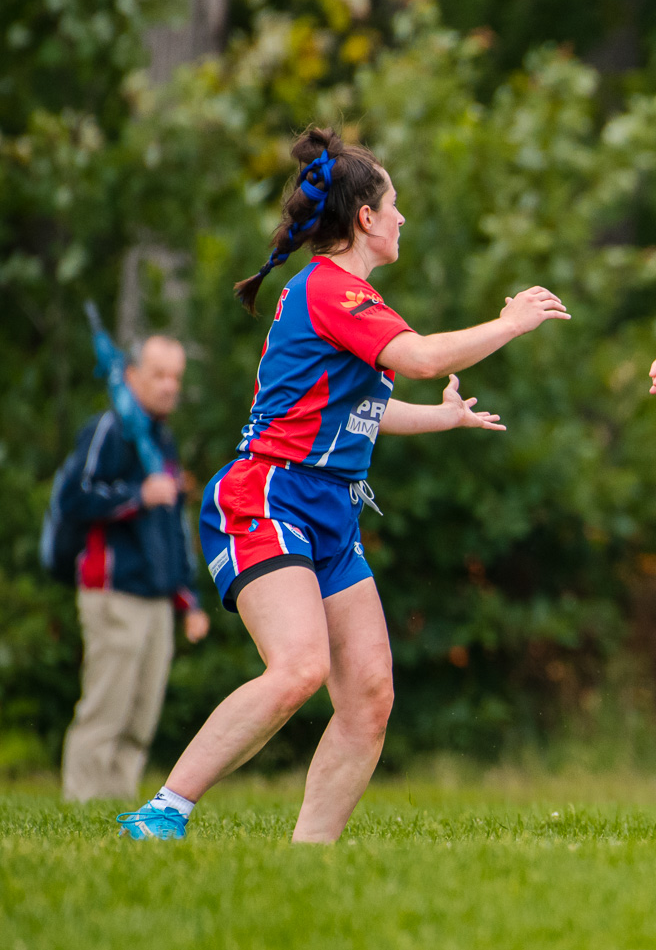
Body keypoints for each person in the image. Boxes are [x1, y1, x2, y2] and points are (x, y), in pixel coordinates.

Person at [117, 126, 569, 842]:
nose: (401, 219)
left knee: (368, 694)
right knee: (298, 668)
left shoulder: (342, 300)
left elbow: (363, 410)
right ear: (365, 218)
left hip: (329, 507)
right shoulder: (333, 290)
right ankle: (162, 812)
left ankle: (310, 861)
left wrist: (444, 419)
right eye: (394, 206)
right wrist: (510, 324)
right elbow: (419, 357)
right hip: (269, 495)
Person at [55, 335, 210, 802]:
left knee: (142, 715)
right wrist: (136, 495)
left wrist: (189, 601)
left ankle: (118, 802)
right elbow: (73, 496)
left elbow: (170, 531)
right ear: (131, 375)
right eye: (160, 375)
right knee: (108, 708)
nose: (169, 387)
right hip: (113, 591)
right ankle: (81, 803)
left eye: (176, 378)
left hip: (157, 597)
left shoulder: (162, 438)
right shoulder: (109, 429)